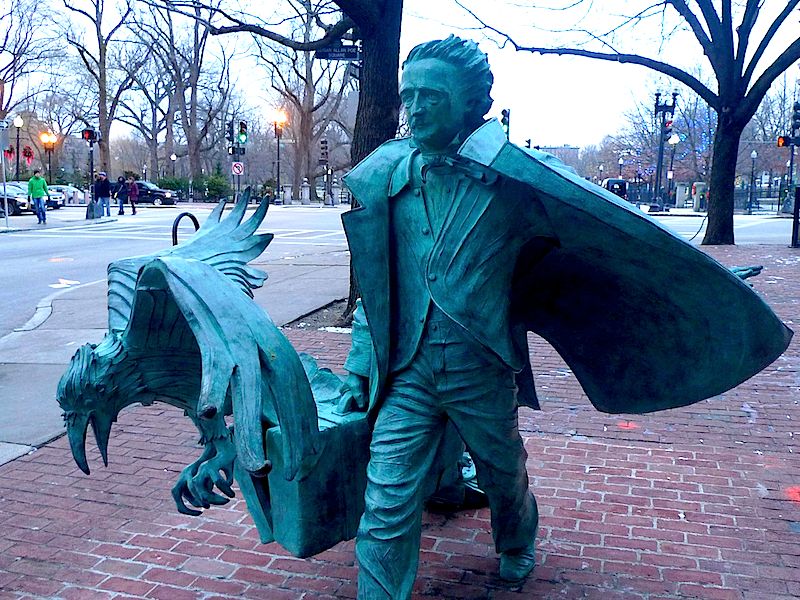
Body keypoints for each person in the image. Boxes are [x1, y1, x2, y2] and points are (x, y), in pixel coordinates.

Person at [338, 35, 791, 600]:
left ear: (471, 103)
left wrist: (686, 279)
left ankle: (516, 540)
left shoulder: (516, 182)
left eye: (432, 95)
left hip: (481, 367)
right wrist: (360, 367)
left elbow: (609, 232)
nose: (416, 108)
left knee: (502, 471)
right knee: (385, 500)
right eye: (409, 96)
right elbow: (376, 290)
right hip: (407, 371)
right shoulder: (388, 179)